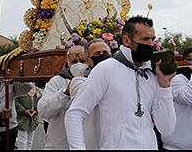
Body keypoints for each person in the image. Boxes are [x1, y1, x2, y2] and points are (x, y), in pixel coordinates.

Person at [65, 15, 177, 149]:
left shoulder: (152, 74)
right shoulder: (106, 69)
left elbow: (167, 129)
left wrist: (165, 86)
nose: (150, 44)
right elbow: (75, 114)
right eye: (145, 39)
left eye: (152, 39)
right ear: (126, 40)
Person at [65, 38, 112, 149]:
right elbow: (73, 116)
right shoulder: (80, 82)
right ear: (88, 60)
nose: (102, 56)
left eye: (105, 53)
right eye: (97, 54)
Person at [37, 45, 86, 149]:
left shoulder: (95, 78)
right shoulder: (57, 81)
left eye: (82, 61)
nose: (79, 65)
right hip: (59, 145)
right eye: (74, 62)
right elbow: (43, 110)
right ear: (67, 64)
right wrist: (65, 93)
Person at [0, 53, 32, 150]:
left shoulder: (10, 82)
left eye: (1, 68)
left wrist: (16, 72)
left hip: (9, 127)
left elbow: (27, 86)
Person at [15, 83, 41, 150]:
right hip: (22, 119)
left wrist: (36, 110)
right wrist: (24, 110)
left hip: (33, 120)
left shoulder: (37, 90)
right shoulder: (21, 89)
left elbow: (41, 102)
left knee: (30, 140)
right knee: (22, 141)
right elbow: (16, 101)